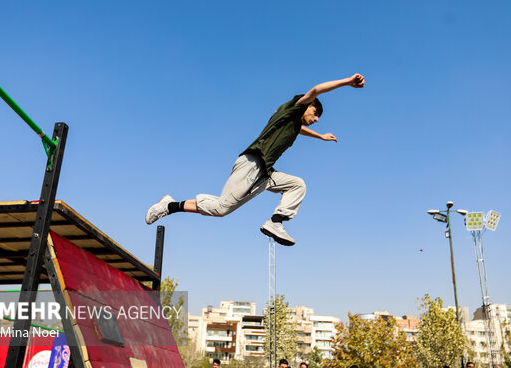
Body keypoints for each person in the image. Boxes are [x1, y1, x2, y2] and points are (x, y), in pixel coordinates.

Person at [145, 74, 366, 246]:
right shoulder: (294, 107)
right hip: (252, 163)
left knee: (297, 184)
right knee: (221, 208)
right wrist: (348, 82)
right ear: (307, 105)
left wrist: (320, 136)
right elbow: (316, 90)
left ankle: (276, 222)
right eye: (316, 114)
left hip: (264, 173)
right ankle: (169, 205)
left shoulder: (293, 124)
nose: (316, 120)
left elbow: (300, 130)